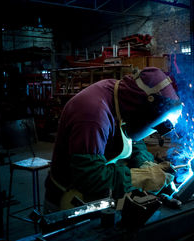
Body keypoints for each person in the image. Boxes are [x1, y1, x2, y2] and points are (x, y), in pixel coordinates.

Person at [44, 67, 183, 212]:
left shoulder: (124, 97)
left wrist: (145, 164)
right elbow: (89, 177)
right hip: (70, 201)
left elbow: (133, 139)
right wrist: (139, 178)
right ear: (144, 102)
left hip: (98, 196)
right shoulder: (92, 115)